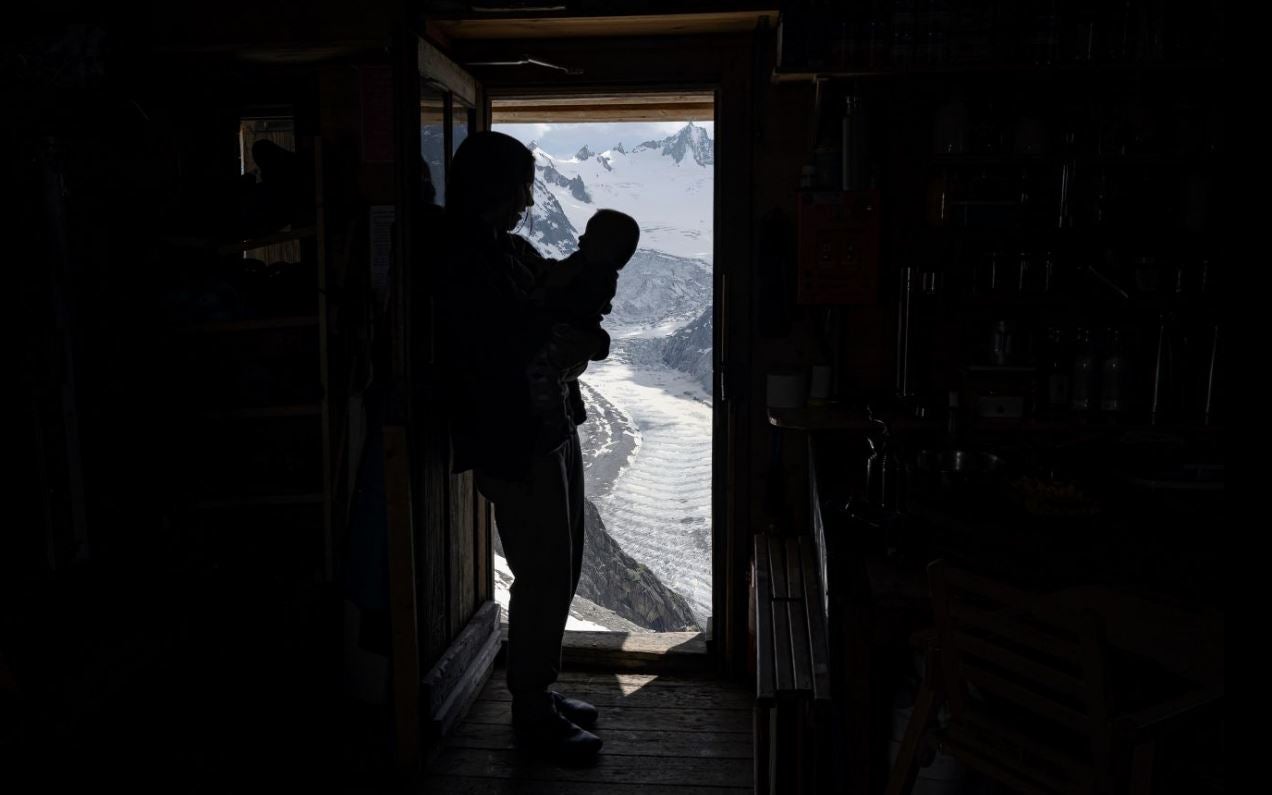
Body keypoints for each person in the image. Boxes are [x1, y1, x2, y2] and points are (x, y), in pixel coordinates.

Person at [440, 131, 603, 759]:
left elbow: (554, 314)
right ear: (494, 187)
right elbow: (503, 346)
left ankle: (540, 690)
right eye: (521, 188)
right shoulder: (464, 262)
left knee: (558, 568)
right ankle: (531, 709)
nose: (528, 202)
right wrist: (565, 329)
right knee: (541, 573)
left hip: (549, 427)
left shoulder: (502, 251)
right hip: (516, 439)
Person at [526, 209, 640, 453]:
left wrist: (546, 297)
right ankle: (572, 411)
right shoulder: (595, 271)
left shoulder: (595, 273)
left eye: (589, 236)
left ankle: (555, 424)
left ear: (605, 248)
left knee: (547, 370)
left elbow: (574, 305)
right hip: (576, 337)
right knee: (565, 373)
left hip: (569, 334)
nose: (581, 239)